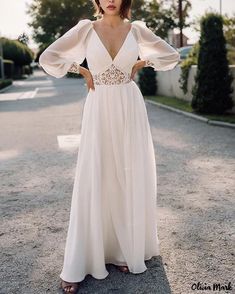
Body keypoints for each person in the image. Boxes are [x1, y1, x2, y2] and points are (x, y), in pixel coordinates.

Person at [39, 0, 180, 292]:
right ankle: (83, 259)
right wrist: (81, 70)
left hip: (130, 106)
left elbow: (171, 54)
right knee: (96, 175)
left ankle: (124, 249)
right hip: (100, 107)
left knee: (128, 174)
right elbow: (49, 56)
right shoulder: (86, 29)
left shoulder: (137, 30)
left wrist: (144, 61)